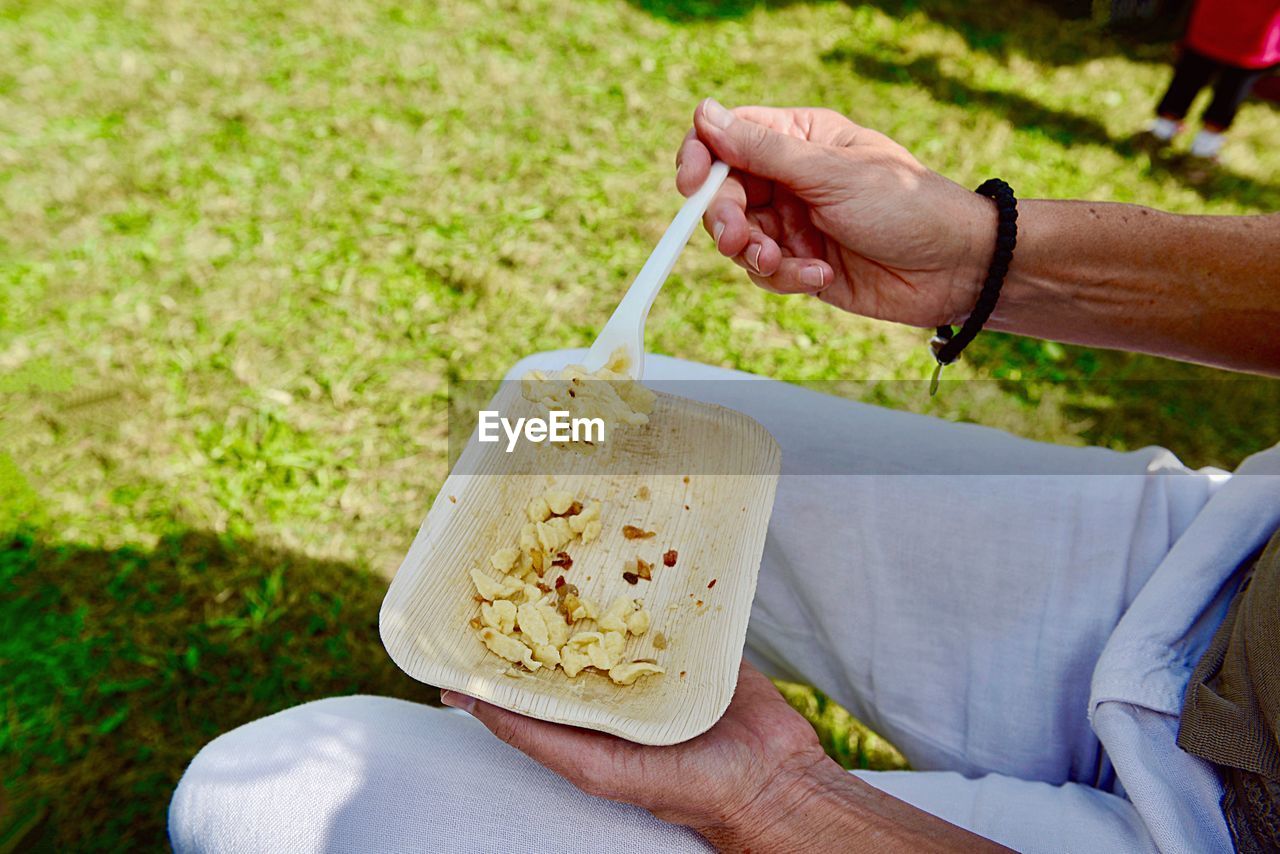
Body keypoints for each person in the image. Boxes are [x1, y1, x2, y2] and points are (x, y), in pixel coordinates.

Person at [168, 100, 1280, 852]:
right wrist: (977, 251)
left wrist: (783, 803)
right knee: (560, 409)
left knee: (264, 793)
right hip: (1225, 566)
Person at [1143, 0, 1280, 168]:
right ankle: (1188, 144)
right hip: (1232, 33)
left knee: (1210, 89)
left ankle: (1190, 145)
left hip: (1238, 34)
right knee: (1214, 91)